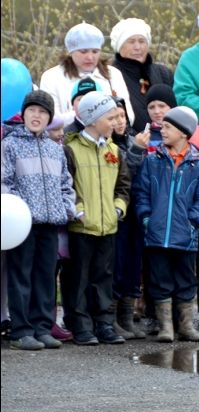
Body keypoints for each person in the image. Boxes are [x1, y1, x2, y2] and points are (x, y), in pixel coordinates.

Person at [1, 90, 77, 350]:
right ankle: (21, 330)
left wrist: (65, 208)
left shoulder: (55, 149)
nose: (37, 116)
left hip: (50, 223)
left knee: (45, 276)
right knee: (21, 275)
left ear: (49, 118)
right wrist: (17, 210)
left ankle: (43, 327)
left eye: (43, 112)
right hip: (22, 224)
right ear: (24, 114)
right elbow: (4, 183)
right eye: (32, 110)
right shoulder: (10, 145)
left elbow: (66, 184)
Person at [134, 106, 199, 342]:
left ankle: (186, 326)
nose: (163, 130)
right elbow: (142, 192)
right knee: (160, 280)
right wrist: (146, 218)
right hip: (157, 234)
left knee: (186, 280)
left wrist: (194, 222)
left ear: (183, 132)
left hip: (185, 235)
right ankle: (165, 327)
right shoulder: (153, 160)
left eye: (168, 127)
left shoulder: (198, 164)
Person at [62, 91, 133, 346]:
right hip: (82, 227)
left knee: (104, 277)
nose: (115, 122)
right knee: (78, 277)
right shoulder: (71, 149)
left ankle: (103, 323)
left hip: (108, 226)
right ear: (92, 120)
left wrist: (117, 208)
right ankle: (80, 323)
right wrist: (78, 210)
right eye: (110, 117)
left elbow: (123, 185)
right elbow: (66, 183)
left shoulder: (113, 150)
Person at [110, 97, 151, 340]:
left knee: (134, 265)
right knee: (117, 264)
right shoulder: (110, 145)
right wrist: (136, 149)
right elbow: (123, 172)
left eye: (122, 116)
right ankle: (113, 318)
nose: (118, 121)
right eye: (113, 117)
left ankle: (127, 317)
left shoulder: (133, 138)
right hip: (117, 212)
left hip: (136, 210)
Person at [40, 22, 133, 123]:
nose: (90, 57)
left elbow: (128, 116)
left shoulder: (113, 74)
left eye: (95, 51)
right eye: (83, 51)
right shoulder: (51, 77)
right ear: (71, 52)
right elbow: (51, 120)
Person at [110, 18, 175, 133]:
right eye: (131, 42)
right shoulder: (111, 76)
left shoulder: (163, 73)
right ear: (120, 46)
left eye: (141, 41)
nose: (137, 47)